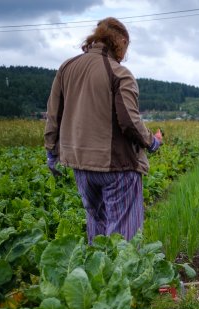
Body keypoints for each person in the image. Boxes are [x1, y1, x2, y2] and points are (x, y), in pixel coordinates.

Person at [44, 17, 163, 243]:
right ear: (120, 41)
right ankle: (121, 277)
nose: (125, 54)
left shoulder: (67, 68)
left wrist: (52, 152)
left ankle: (95, 276)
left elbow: (53, 115)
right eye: (126, 47)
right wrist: (152, 142)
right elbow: (129, 121)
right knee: (122, 235)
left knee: (96, 225)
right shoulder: (119, 73)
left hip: (81, 165)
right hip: (117, 165)